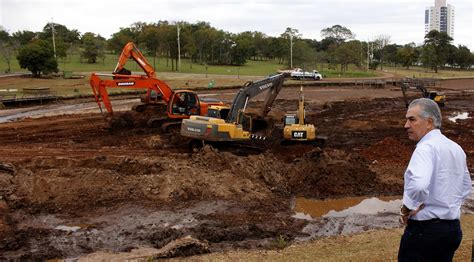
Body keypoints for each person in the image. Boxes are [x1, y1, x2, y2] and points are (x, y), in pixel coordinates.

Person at [398, 98, 472, 261]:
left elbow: (418, 186)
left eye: (412, 119)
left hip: (424, 233)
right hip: (451, 230)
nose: (406, 125)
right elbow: (466, 186)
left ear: (429, 122)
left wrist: (407, 209)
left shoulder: (425, 148)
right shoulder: (456, 148)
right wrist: (446, 203)